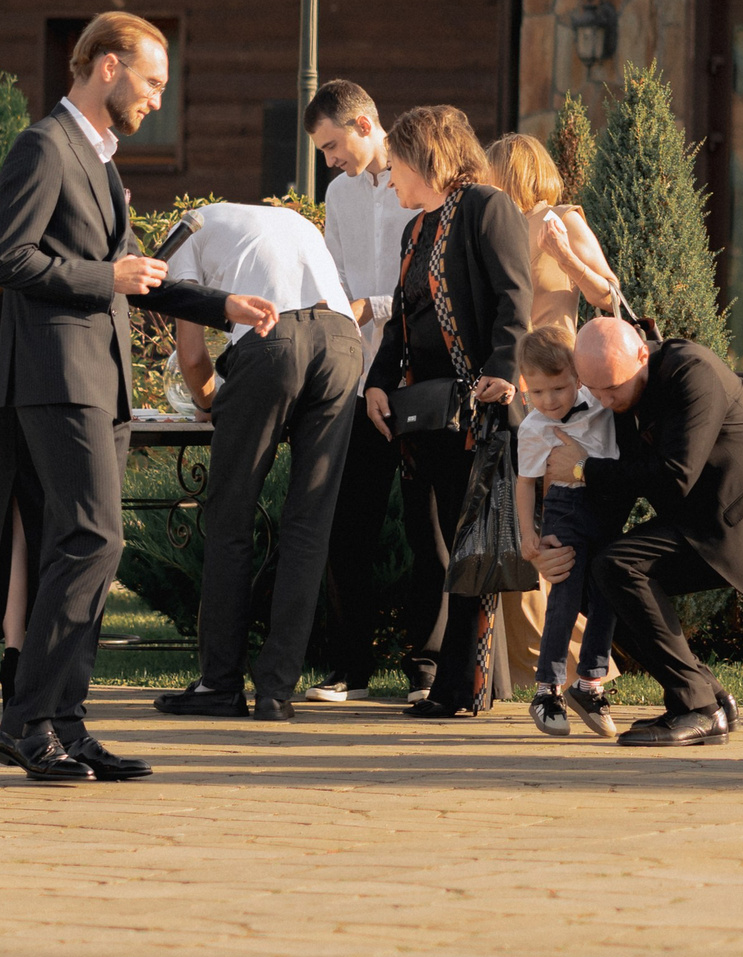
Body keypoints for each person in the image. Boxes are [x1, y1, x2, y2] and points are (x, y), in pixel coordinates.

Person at [0, 12, 279, 782]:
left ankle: (62, 724)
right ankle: (30, 722)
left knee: (82, 543)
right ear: (107, 65)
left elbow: (137, 275)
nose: (156, 99)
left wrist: (222, 305)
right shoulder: (44, 146)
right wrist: (102, 277)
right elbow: (5, 258)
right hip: (56, 376)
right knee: (93, 538)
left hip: (97, 380)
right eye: (151, 81)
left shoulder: (100, 160)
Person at [539, 317, 743, 747]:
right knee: (592, 574)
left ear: (642, 354)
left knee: (617, 567)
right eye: (593, 389)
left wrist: (583, 469)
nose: (604, 400)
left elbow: (675, 476)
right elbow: (623, 486)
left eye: (613, 387)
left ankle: (698, 708)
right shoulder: (619, 395)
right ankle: (706, 696)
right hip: (702, 516)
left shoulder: (692, 371)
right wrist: (558, 541)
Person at [150, 201, 362, 722]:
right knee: (309, 526)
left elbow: (192, 356)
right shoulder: (285, 220)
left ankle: (220, 684)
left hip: (273, 341)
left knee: (231, 517)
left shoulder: (184, 236)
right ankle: (276, 693)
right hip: (344, 341)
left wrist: (208, 404)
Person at [362, 104, 532, 717]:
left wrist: (503, 371)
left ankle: (462, 689)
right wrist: (377, 383)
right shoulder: (415, 231)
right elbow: (402, 323)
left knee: (473, 550)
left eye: (396, 166)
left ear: (425, 158)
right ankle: (455, 683)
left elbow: (515, 297)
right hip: (427, 416)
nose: (389, 180)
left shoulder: (487, 207)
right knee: (435, 547)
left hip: (477, 414)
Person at [482, 131, 623, 688]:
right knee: (519, 522)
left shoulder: (563, 219)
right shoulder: (496, 227)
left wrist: (563, 255)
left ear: (512, 172)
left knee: (554, 525)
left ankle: (572, 660)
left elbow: (609, 294)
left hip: (557, 395)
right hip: (511, 392)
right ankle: (537, 662)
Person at [303, 80, 420, 704]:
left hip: (418, 379)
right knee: (347, 529)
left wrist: (372, 306)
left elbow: (433, 280)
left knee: (429, 531)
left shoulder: (422, 179)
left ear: (366, 124)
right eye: (323, 152)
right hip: (356, 383)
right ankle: (350, 669)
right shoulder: (338, 194)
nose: (329, 161)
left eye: (332, 146)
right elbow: (334, 279)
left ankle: (428, 669)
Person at [510, 321, 621, 739]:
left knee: (611, 590)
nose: (549, 400)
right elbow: (525, 482)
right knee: (565, 596)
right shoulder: (533, 428)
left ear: (578, 377)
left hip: (606, 504)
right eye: (537, 392)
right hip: (565, 507)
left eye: (558, 388)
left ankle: (590, 683)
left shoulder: (602, 404)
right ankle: (547, 689)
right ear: (525, 387)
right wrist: (528, 534)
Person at [484, 133, 621, 330]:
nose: (484, 184)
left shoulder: (559, 218)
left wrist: (565, 257)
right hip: (505, 348)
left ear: (512, 176)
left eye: (489, 174)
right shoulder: (497, 229)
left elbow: (610, 298)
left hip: (551, 348)